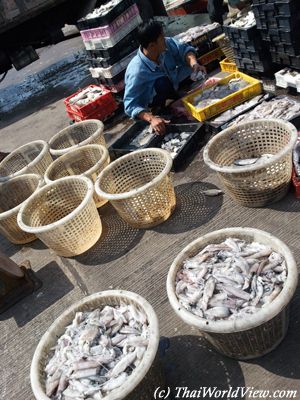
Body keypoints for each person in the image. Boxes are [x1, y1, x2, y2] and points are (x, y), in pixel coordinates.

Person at [124, 20, 206, 134]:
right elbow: (130, 105)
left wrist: (194, 63)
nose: (165, 39)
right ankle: (165, 109)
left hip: (174, 81)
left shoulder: (165, 44)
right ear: (152, 45)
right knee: (162, 83)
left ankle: (177, 98)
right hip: (156, 98)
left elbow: (184, 50)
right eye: (161, 37)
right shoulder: (137, 71)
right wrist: (151, 118)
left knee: (195, 61)